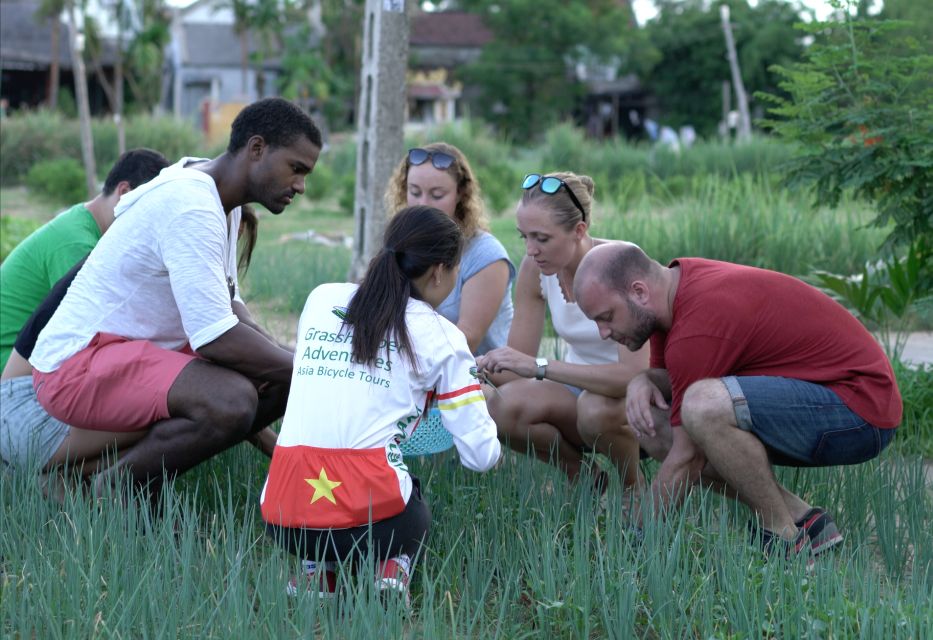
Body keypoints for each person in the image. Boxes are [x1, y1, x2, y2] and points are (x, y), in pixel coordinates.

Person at [28, 97, 322, 498]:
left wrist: (302, 363)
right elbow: (216, 339)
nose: (301, 186)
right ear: (257, 149)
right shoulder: (192, 206)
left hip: (128, 351)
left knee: (278, 378)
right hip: (76, 363)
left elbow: (231, 310)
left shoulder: (221, 198)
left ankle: (108, 473)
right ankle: (117, 492)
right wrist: (316, 373)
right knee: (232, 400)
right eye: (296, 169)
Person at [573, 243, 902, 559]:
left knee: (703, 406)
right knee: (652, 425)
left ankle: (782, 538)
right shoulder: (671, 295)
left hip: (860, 408)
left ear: (639, 292)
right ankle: (804, 521)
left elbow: (687, 457)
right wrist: (643, 379)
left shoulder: (699, 323)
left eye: (607, 317)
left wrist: (632, 538)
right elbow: (673, 381)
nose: (603, 332)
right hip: (822, 400)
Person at [260, 206, 501, 602]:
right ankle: (390, 572)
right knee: (411, 497)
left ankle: (316, 574)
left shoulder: (321, 299)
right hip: (379, 524)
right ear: (440, 271)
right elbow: (480, 456)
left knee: (338, 483)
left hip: (283, 517)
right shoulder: (442, 335)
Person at [0, 207, 262, 479]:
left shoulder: (131, 262)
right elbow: (219, 391)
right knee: (180, 406)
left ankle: (64, 477)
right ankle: (79, 480)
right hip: (23, 409)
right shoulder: (123, 271)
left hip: (26, 402)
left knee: (178, 399)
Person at [476, 173, 650, 487]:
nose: (530, 250)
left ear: (578, 231)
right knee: (499, 405)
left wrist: (542, 367)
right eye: (524, 237)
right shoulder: (535, 270)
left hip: (635, 400)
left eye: (541, 238)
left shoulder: (623, 263)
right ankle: (584, 479)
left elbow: (633, 375)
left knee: (594, 409)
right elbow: (518, 367)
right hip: (577, 393)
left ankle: (633, 488)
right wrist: (474, 371)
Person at [0, 148, 170, 371]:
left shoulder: (84, 220)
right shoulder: (77, 245)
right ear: (124, 192)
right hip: (9, 363)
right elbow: (86, 330)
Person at [385, 143, 514, 356]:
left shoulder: (486, 255)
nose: (422, 204)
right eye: (414, 192)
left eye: (436, 195)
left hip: (480, 376)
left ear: (461, 194)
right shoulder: (399, 244)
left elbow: (465, 340)